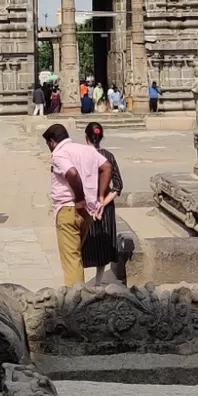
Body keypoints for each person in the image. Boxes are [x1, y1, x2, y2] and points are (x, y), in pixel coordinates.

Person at [43, 122, 108, 288]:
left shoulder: (59, 154)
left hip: (69, 209)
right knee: (77, 254)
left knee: (71, 258)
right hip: (86, 211)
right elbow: (106, 167)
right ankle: (80, 295)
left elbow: (72, 174)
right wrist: (100, 196)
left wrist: (80, 198)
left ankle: (77, 300)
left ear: (52, 142)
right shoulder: (87, 150)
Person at [81, 121, 125, 286]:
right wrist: (102, 204)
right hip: (105, 208)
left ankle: (81, 284)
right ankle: (98, 283)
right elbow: (118, 185)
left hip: (86, 207)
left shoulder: (81, 156)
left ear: (86, 136)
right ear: (101, 137)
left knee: (83, 246)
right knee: (102, 247)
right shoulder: (108, 156)